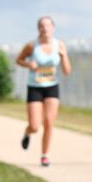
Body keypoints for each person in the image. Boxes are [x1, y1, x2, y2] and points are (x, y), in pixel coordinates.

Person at [16, 16, 71, 167]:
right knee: (34, 125)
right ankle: (27, 133)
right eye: (42, 26)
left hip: (52, 86)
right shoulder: (32, 45)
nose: (45, 28)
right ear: (38, 29)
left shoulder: (59, 45)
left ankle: (45, 155)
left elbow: (67, 71)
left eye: (48, 25)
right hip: (35, 87)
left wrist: (64, 56)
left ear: (53, 28)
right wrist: (29, 64)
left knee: (49, 122)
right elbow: (18, 60)